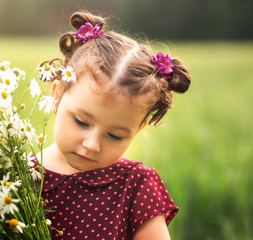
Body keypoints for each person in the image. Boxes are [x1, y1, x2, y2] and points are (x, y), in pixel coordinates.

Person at [36, 10, 191, 240]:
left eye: (115, 136)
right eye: (81, 121)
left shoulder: (137, 187)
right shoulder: (17, 174)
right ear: (57, 96)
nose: (91, 145)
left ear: (138, 130)